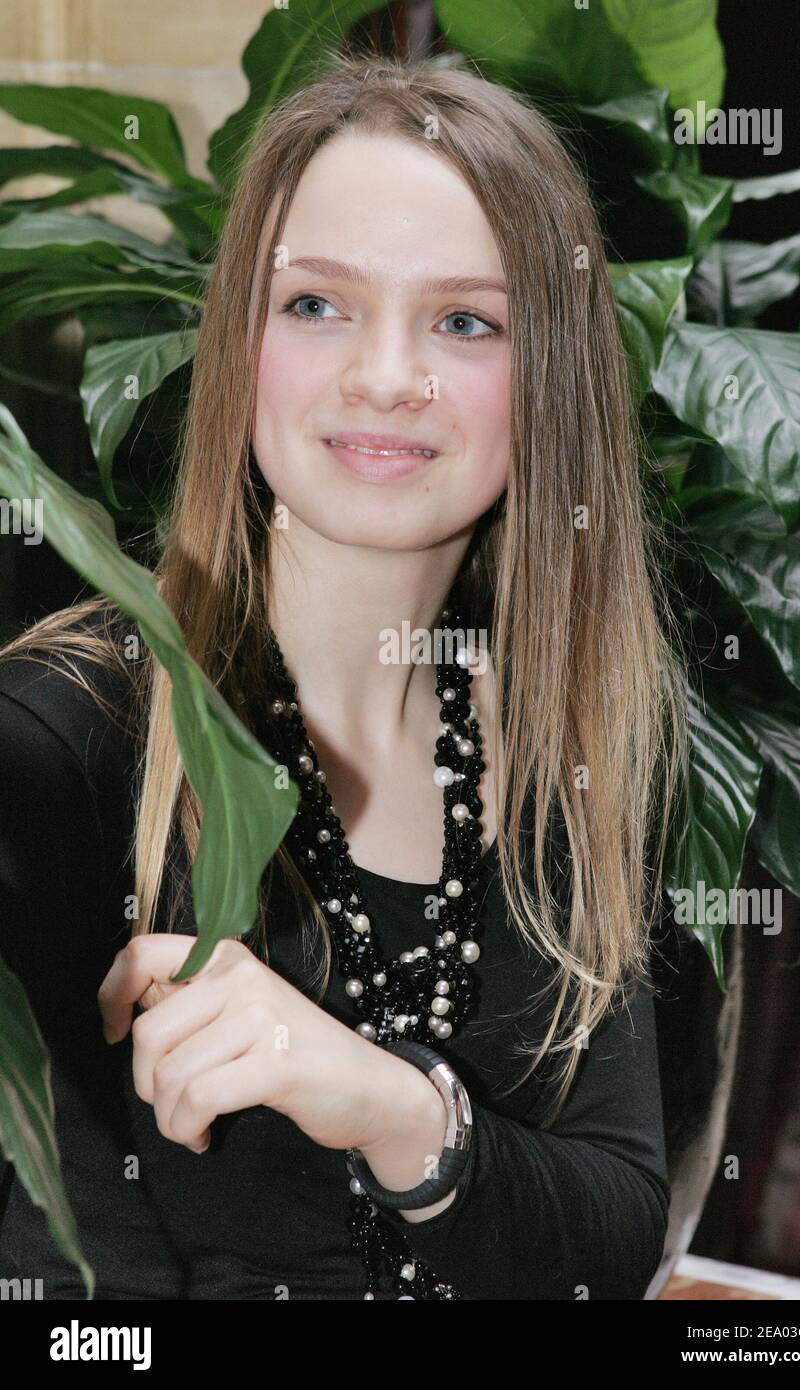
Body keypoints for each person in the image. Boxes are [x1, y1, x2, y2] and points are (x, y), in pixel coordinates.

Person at [0, 50, 684, 1300]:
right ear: (243, 337)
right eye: (317, 303)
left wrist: (393, 1107)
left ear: (552, 388)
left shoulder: (553, 748)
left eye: (464, 321)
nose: (383, 375)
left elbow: (612, 1231)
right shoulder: (62, 742)